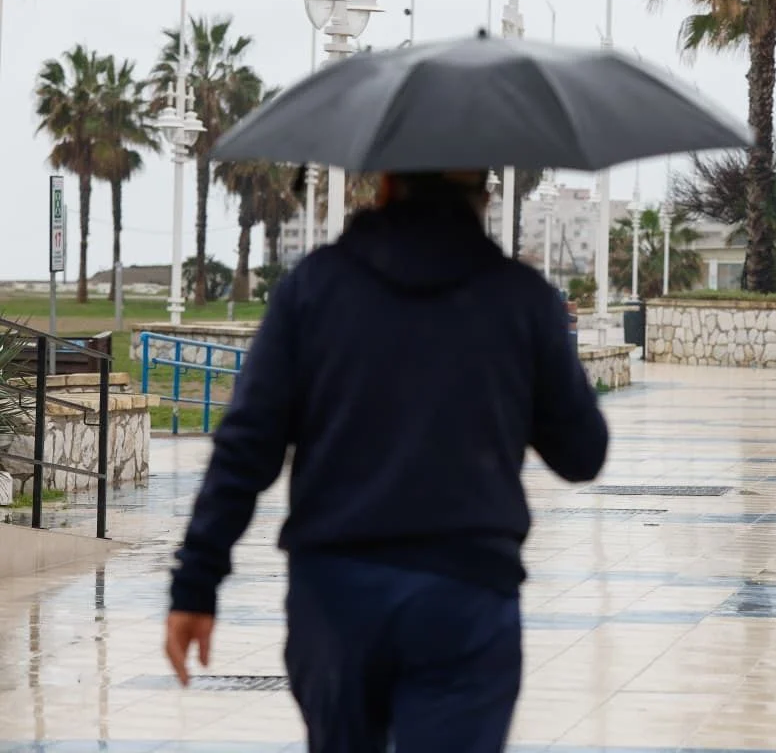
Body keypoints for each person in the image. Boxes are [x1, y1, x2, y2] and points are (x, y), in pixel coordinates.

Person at [164, 170, 608, 752]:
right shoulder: (520, 298)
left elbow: (248, 443)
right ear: (484, 192)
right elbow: (582, 454)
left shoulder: (313, 288)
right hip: (465, 594)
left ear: (386, 184)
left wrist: (197, 583)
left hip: (335, 597)